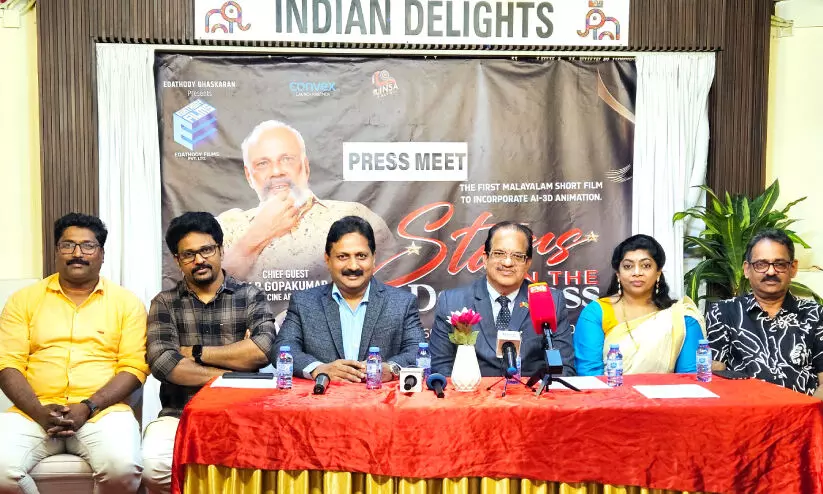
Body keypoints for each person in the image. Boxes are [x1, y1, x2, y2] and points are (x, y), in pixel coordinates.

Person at [0, 213, 147, 493]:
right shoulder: (23, 300)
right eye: (68, 245)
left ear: (102, 254)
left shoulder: (127, 303)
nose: (77, 253)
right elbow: (8, 364)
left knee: (122, 469)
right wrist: (38, 412)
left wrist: (88, 406)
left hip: (102, 413)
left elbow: (133, 367)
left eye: (88, 246)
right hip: (34, 410)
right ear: (57, 251)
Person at [142, 212, 277, 494]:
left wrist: (194, 353)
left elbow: (262, 350)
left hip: (243, 412)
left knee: (266, 468)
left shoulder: (250, 296)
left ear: (221, 250)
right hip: (180, 413)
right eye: (188, 254)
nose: (199, 260)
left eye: (206, 250)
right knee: (154, 467)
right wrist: (233, 374)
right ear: (177, 260)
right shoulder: (165, 303)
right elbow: (164, 363)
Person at [216, 120, 394, 312]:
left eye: (286, 159)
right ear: (249, 176)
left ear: (306, 167)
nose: (276, 171)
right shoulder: (226, 228)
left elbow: (394, 283)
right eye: (263, 163)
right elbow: (209, 295)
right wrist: (257, 235)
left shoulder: (356, 217)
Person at [274, 216, 424, 382]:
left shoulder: (402, 303)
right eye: (343, 256)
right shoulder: (304, 303)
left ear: (373, 258)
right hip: (322, 396)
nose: (353, 266)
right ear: (327, 259)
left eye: (361, 256)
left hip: (381, 397)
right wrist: (318, 369)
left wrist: (392, 369)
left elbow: (417, 351)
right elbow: (282, 349)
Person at [429, 221, 576, 377]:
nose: (507, 263)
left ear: (527, 263)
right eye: (499, 253)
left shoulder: (549, 301)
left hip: (532, 391)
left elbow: (563, 369)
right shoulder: (452, 302)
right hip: (472, 391)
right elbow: (441, 368)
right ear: (485, 258)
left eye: (517, 256)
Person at [707, 229, 823, 398]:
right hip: (743, 411)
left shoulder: (816, 314)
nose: (770, 272)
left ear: (793, 268)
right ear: (747, 269)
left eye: (780, 264)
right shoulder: (723, 312)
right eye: (761, 264)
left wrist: (806, 413)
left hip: (802, 412)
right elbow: (714, 378)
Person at [574, 234, 706, 376]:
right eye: (628, 266)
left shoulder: (680, 318)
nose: (637, 273)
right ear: (618, 274)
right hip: (608, 390)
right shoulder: (597, 312)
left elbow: (690, 378)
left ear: (658, 273)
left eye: (646, 266)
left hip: (666, 391)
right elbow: (589, 374)